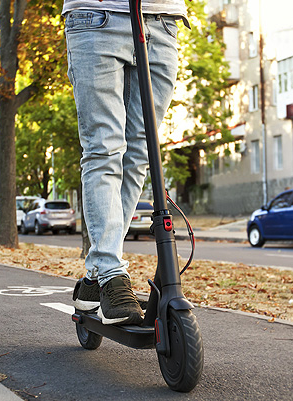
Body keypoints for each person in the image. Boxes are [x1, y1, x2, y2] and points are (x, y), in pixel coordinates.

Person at [64, 0, 188, 325]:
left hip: (162, 20)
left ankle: (97, 277)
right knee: (105, 149)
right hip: (97, 17)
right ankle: (110, 274)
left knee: (141, 154)